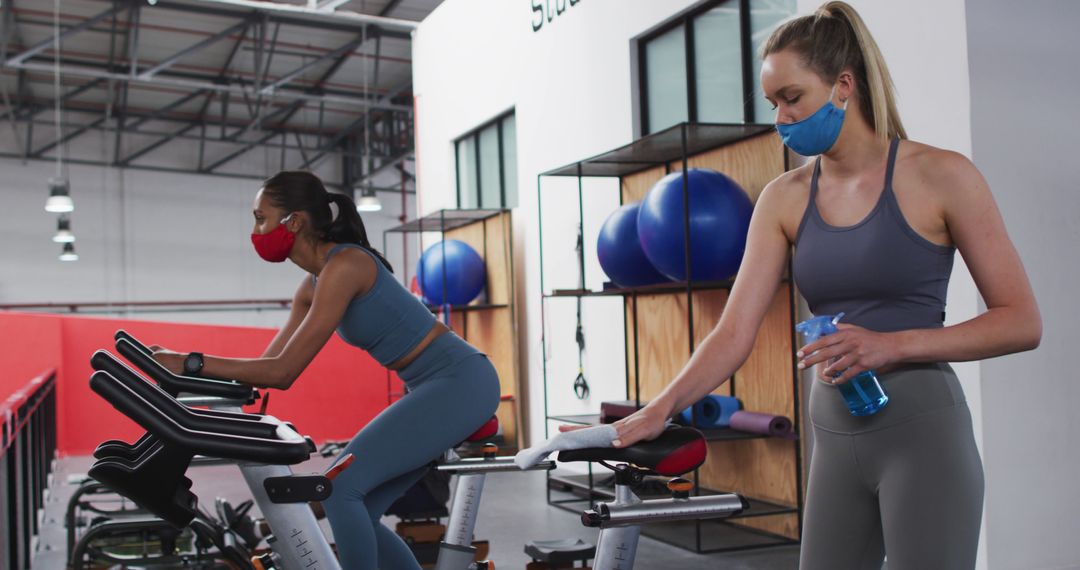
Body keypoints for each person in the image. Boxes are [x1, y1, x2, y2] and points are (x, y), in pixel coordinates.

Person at [602, 3, 1041, 569]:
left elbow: (1020, 320)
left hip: (922, 435)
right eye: (773, 104)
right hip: (832, 438)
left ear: (843, 86)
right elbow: (735, 330)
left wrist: (893, 344)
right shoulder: (783, 198)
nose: (781, 118)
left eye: (792, 98)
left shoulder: (942, 175)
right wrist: (660, 408)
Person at [152, 171, 501, 570]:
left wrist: (191, 361)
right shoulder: (313, 283)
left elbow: (283, 372)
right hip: (430, 387)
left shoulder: (346, 265)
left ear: (294, 221)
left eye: (261, 218)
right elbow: (267, 364)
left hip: (459, 383)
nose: (256, 230)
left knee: (337, 490)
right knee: (357, 506)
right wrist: (190, 373)